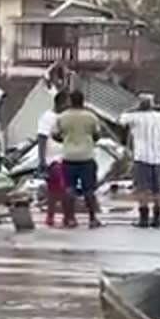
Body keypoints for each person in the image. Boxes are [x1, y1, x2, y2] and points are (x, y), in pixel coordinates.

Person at [120, 93, 160, 229]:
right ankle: (157, 219)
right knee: (157, 190)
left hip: (141, 158)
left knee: (142, 189)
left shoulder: (134, 117)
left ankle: (144, 219)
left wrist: (132, 109)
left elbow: (120, 119)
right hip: (158, 158)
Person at [52, 89, 102, 228]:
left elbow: (55, 134)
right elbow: (97, 135)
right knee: (89, 189)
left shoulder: (62, 117)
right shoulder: (91, 117)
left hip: (69, 157)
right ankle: (92, 219)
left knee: (69, 188)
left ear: (70, 101)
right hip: (86, 156)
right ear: (83, 101)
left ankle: (70, 219)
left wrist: (65, 140)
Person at [37, 90, 69, 227]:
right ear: (60, 103)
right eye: (67, 103)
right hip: (53, 159)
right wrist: (42, 159)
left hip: (67, 156)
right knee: (58, 189)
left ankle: (56, 216)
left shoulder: (67, 117)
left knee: (59, 189)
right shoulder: (47, 117)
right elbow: (42, 138)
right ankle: (60, 216)